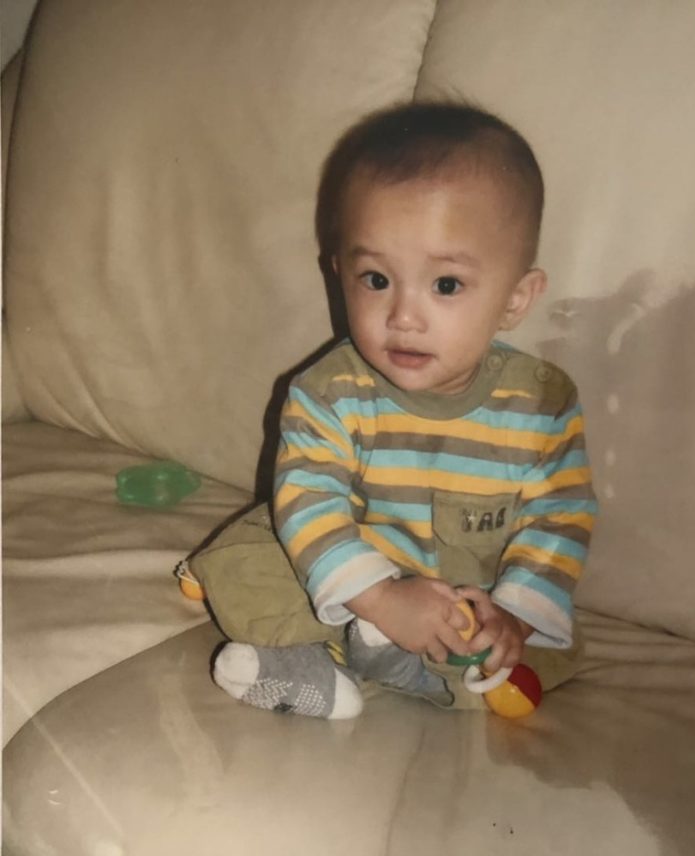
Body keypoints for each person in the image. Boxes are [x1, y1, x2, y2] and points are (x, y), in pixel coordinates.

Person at [194, 102, 597, 719]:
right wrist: (381, 598)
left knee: (529, 655)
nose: (403, 317)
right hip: (345, 565)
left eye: (445, 285)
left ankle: (381, 659)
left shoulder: (542, 404)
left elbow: (559, 518)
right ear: (341, 274)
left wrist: (512, 615)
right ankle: (320, 659)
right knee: (241, 564)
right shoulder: (328, 392)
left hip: (468, 593)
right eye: (376, 280)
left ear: (515, 300)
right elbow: (309, 502)